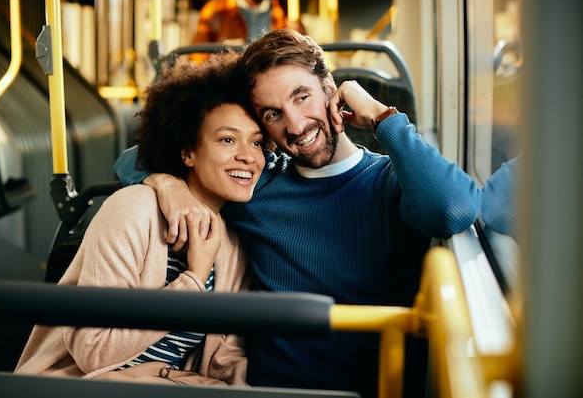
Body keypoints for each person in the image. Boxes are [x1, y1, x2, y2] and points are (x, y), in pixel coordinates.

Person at [114, 29, 481, 398]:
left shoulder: (390, 183)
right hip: (264, 390)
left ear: (329, 87)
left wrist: (379, 116)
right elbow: (129, 161)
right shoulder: (256, 184)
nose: (295, 125)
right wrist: (166, 183)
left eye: (301, 97)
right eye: (273, 113)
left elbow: (454, 208)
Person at [14, 53, 266, 386]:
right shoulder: (132, 211)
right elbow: (93, 351)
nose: (247, 156)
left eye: (258, 142)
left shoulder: (232, 245)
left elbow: (222, 359)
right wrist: (193, 280)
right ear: (187, 151)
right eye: (227, 139)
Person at [192, 0, 306, 45]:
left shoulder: (287, 11)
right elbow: (198, 58)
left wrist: (300, 38)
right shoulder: (214, 11)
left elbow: (301, 56)